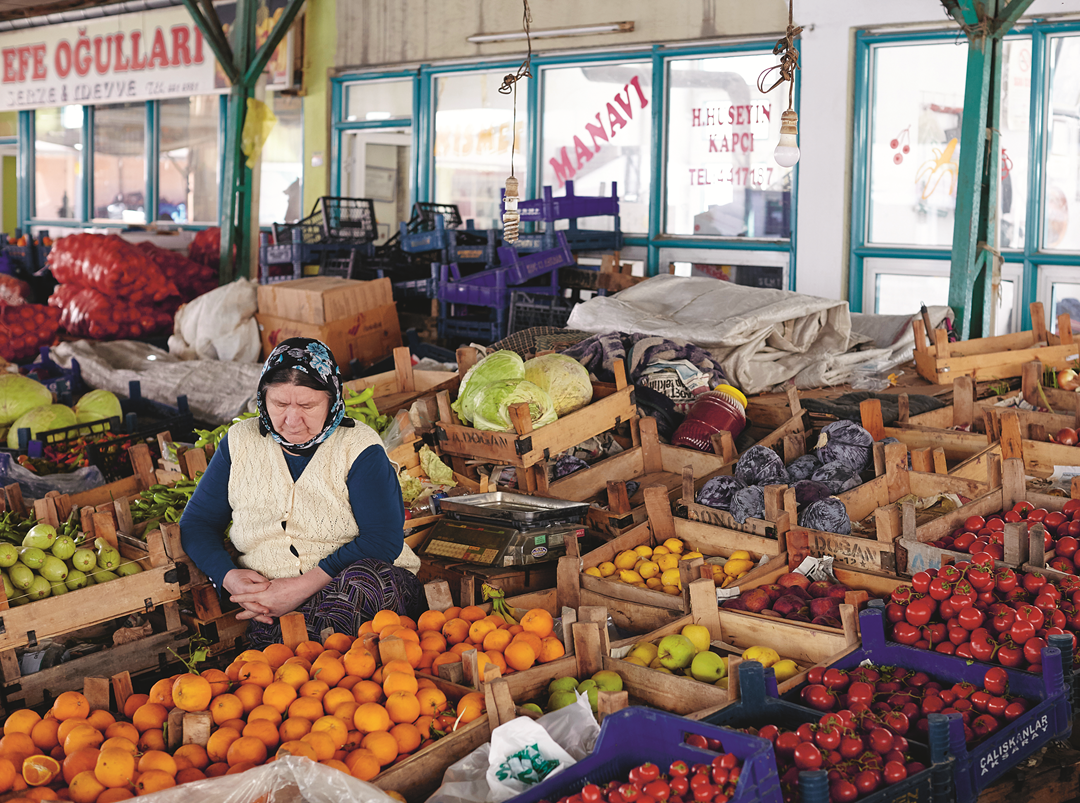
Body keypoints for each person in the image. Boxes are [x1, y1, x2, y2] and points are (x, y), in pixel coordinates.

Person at [180, 337, 422, 647]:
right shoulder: (240, 441)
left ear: (332, 399)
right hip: (270, 599)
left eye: (307, 405)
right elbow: (197, 522)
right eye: (279, 404)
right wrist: (229, 577)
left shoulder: (359, 447)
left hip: (359, 585)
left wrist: (297, 589)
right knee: (282, 658)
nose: (292, 421)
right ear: (262, 398)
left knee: (360, 586)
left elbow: (382, 540)